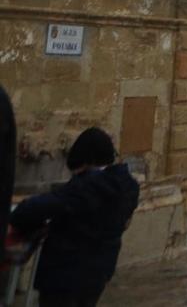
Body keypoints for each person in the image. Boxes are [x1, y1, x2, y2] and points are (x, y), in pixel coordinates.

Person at [9, 127, 140, 306]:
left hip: (66, 273)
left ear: (87, 162)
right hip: (100, 271)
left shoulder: (87, 187)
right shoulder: (128, 187)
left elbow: (35, 207)